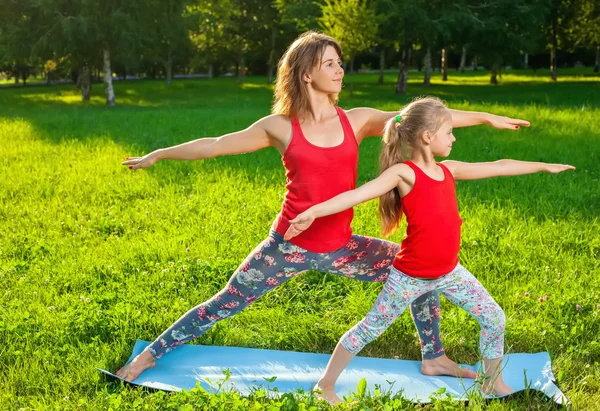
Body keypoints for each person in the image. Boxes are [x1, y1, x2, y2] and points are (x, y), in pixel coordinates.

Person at [116, 31, 531, 382]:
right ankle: (150, 355)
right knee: (223, 303)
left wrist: (485, 116)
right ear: (306, 73)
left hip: (342, 246)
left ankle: (434, 356)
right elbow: (216, 145)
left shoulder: (357, 119)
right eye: (330, 63)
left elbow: (424, 119)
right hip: (287, 246)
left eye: (340, 63)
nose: (340, 70)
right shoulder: (279, 126)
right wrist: (159, 154)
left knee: (419, 270)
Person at [283, 96, 574, 403]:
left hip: (449, 272)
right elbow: (357, 195)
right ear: (427, 137)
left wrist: (544, 166)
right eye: (449, 132)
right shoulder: (404, 174)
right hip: (410, 277)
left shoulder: (449, 169)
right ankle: (325, 384)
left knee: (493, 317)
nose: (454, 137)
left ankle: (492, 383)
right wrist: (314, 212)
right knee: (369, 329)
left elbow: (499, 166)